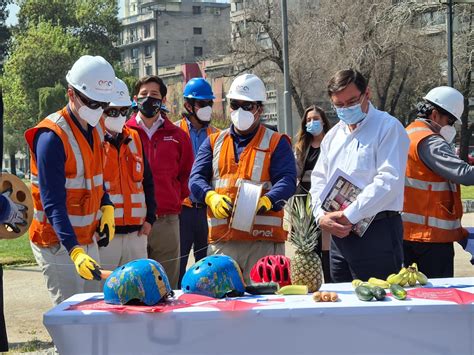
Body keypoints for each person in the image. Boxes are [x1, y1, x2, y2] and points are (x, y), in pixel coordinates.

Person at [24, 55, 116, 305]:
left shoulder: (96, 128)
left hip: (87, 238)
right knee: (72, 315)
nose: (97, 109)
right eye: (91, 102)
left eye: (102, 103)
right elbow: (52, 202)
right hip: (57, 242)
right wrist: (74, 251)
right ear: (71, 94)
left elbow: (96, 176)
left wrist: (106, 205)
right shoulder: (51, 137)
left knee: (95, 310)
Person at [189, 73, 297, 284]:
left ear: (260, 109)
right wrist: (210, 197)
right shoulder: (213, 142)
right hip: (223, 243)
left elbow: (287, 179)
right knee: (224, 308)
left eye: (247, 106)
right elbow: (195, 179)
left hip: (263, 242)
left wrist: (268, 200)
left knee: (266, 307)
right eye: (234, 104)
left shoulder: (276, 142)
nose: (239, 111)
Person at [310, 69, 410, 283]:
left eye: (352, 101)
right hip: (338, 234)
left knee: (379, 304)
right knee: (342, 304)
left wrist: (350, 214)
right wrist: (321, 217)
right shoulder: (333, 136)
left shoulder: (388, 127)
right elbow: (319, 180)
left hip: (377, 232)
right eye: (339, 105)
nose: (346, 109)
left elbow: (388, 181)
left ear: (367, 94)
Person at [126, 75, 193, 289]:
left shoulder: (177, 135)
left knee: (167, 285)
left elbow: (186, 175)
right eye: (143, 95)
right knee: (135, 285)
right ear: (135, 99)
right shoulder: (124, 133)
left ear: (163, 100)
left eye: (154, 95)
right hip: (133, 221)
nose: (148, 99)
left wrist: (172, 197)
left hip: (167, 220)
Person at [403, 86, 474, 278]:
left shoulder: (409, 132)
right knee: (438, 300)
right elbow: (464, 173)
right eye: (450, 121)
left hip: (410, 234)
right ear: (435, 115)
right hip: (430, 239)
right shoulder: (429, 140)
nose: (452, 126)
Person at [99, 78, 156, 271]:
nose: (119, 116)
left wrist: (150, 218)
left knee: (139, 289)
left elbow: (147, 182)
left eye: (124, 111)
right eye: (113, 112)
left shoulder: (135, 138)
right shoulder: (93, 141)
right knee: (106, 293)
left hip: (136, 234)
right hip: (106, 235)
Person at [175, 78, 219, 286]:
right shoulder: (174, 133)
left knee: (208, 269)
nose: (207, 108)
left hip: (208, 211)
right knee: (178, 267)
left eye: (209, 103)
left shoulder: (218, 136)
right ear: (188, 105)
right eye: (202, 104)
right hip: (182, 211)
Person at [294, 105, 332, 283]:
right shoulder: (301, 146)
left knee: (327, 244)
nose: (312, 122)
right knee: (308, 246)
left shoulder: (332, 142)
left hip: (326, 197)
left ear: (323, 120)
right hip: (303, 198)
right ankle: (310, 282)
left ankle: (331, 280)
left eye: (315, 119)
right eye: (308, 120)